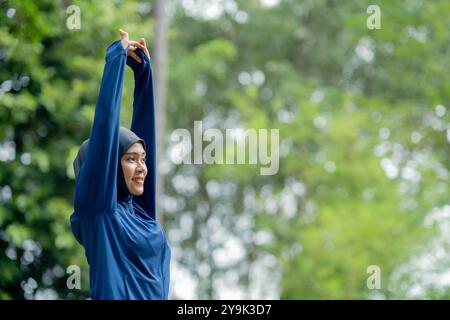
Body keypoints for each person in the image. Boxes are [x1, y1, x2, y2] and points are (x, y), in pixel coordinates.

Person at [70, 30, 171, 300]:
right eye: (130, 159)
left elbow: (145, 130)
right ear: (107, 166)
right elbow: (105, 127)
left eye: (143, 159)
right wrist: (116, 60)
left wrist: (143, 75)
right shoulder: (100, 211)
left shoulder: (141, 214)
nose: (142, 168)